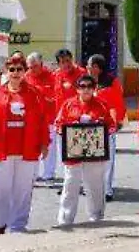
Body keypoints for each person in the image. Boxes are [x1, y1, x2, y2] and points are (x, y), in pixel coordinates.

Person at [0, 53, 49, 235]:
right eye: (12, 69)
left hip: (27, 149)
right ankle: (0, 224)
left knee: (23, 190)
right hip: (2, 149)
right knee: (0, 189)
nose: (15, 72)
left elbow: (43, 120)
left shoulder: (35, 94)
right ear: (6, 71)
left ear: (24, 71)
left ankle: (18, 226)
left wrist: (45, 143)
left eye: (19, 69)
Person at [55, 74, 113, 226]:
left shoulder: (102, 104)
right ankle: (65, 219)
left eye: (89, 86)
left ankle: (96, 217)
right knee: (70, 185)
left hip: (95, 153)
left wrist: (99, 125)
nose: (86, 89)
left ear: (94, 89)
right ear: (77, 89)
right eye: (82, 86)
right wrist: (71, 126)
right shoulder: (68, 104)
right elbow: (58, 124)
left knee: (95, 186)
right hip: (73, 152)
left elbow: (111, 125)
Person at [87, 54, 126, 202]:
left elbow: (118, 103)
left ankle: (107, 190)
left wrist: (118, 121)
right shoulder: (87, 82)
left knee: (108, 160)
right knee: (91, 160)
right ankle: (92, 188)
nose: (88, 68)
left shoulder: (111, 82)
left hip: (107, 127)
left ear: (97, 67)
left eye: (90, 65)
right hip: (90, 128)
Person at [50, 48, 85, 178]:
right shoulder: (56, 75)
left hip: (77, 120)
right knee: (63, 154)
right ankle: (68, 182)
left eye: (68, 60)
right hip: (61, 121)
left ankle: (80, 182)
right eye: (63, 62)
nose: (67, 64)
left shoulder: (81, 74)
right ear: (58, 64)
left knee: (78, 152)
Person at [25, 52, 59, 183]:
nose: (32, 69)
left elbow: (55, 96)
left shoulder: (52, 76)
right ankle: (34, 173)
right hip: (32, 119)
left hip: (49, 118)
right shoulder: (26, 76)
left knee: (49, 146)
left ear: (41, 64)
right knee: (33, 146)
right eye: (30, 67)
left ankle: (48, 173)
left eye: (35, 66)